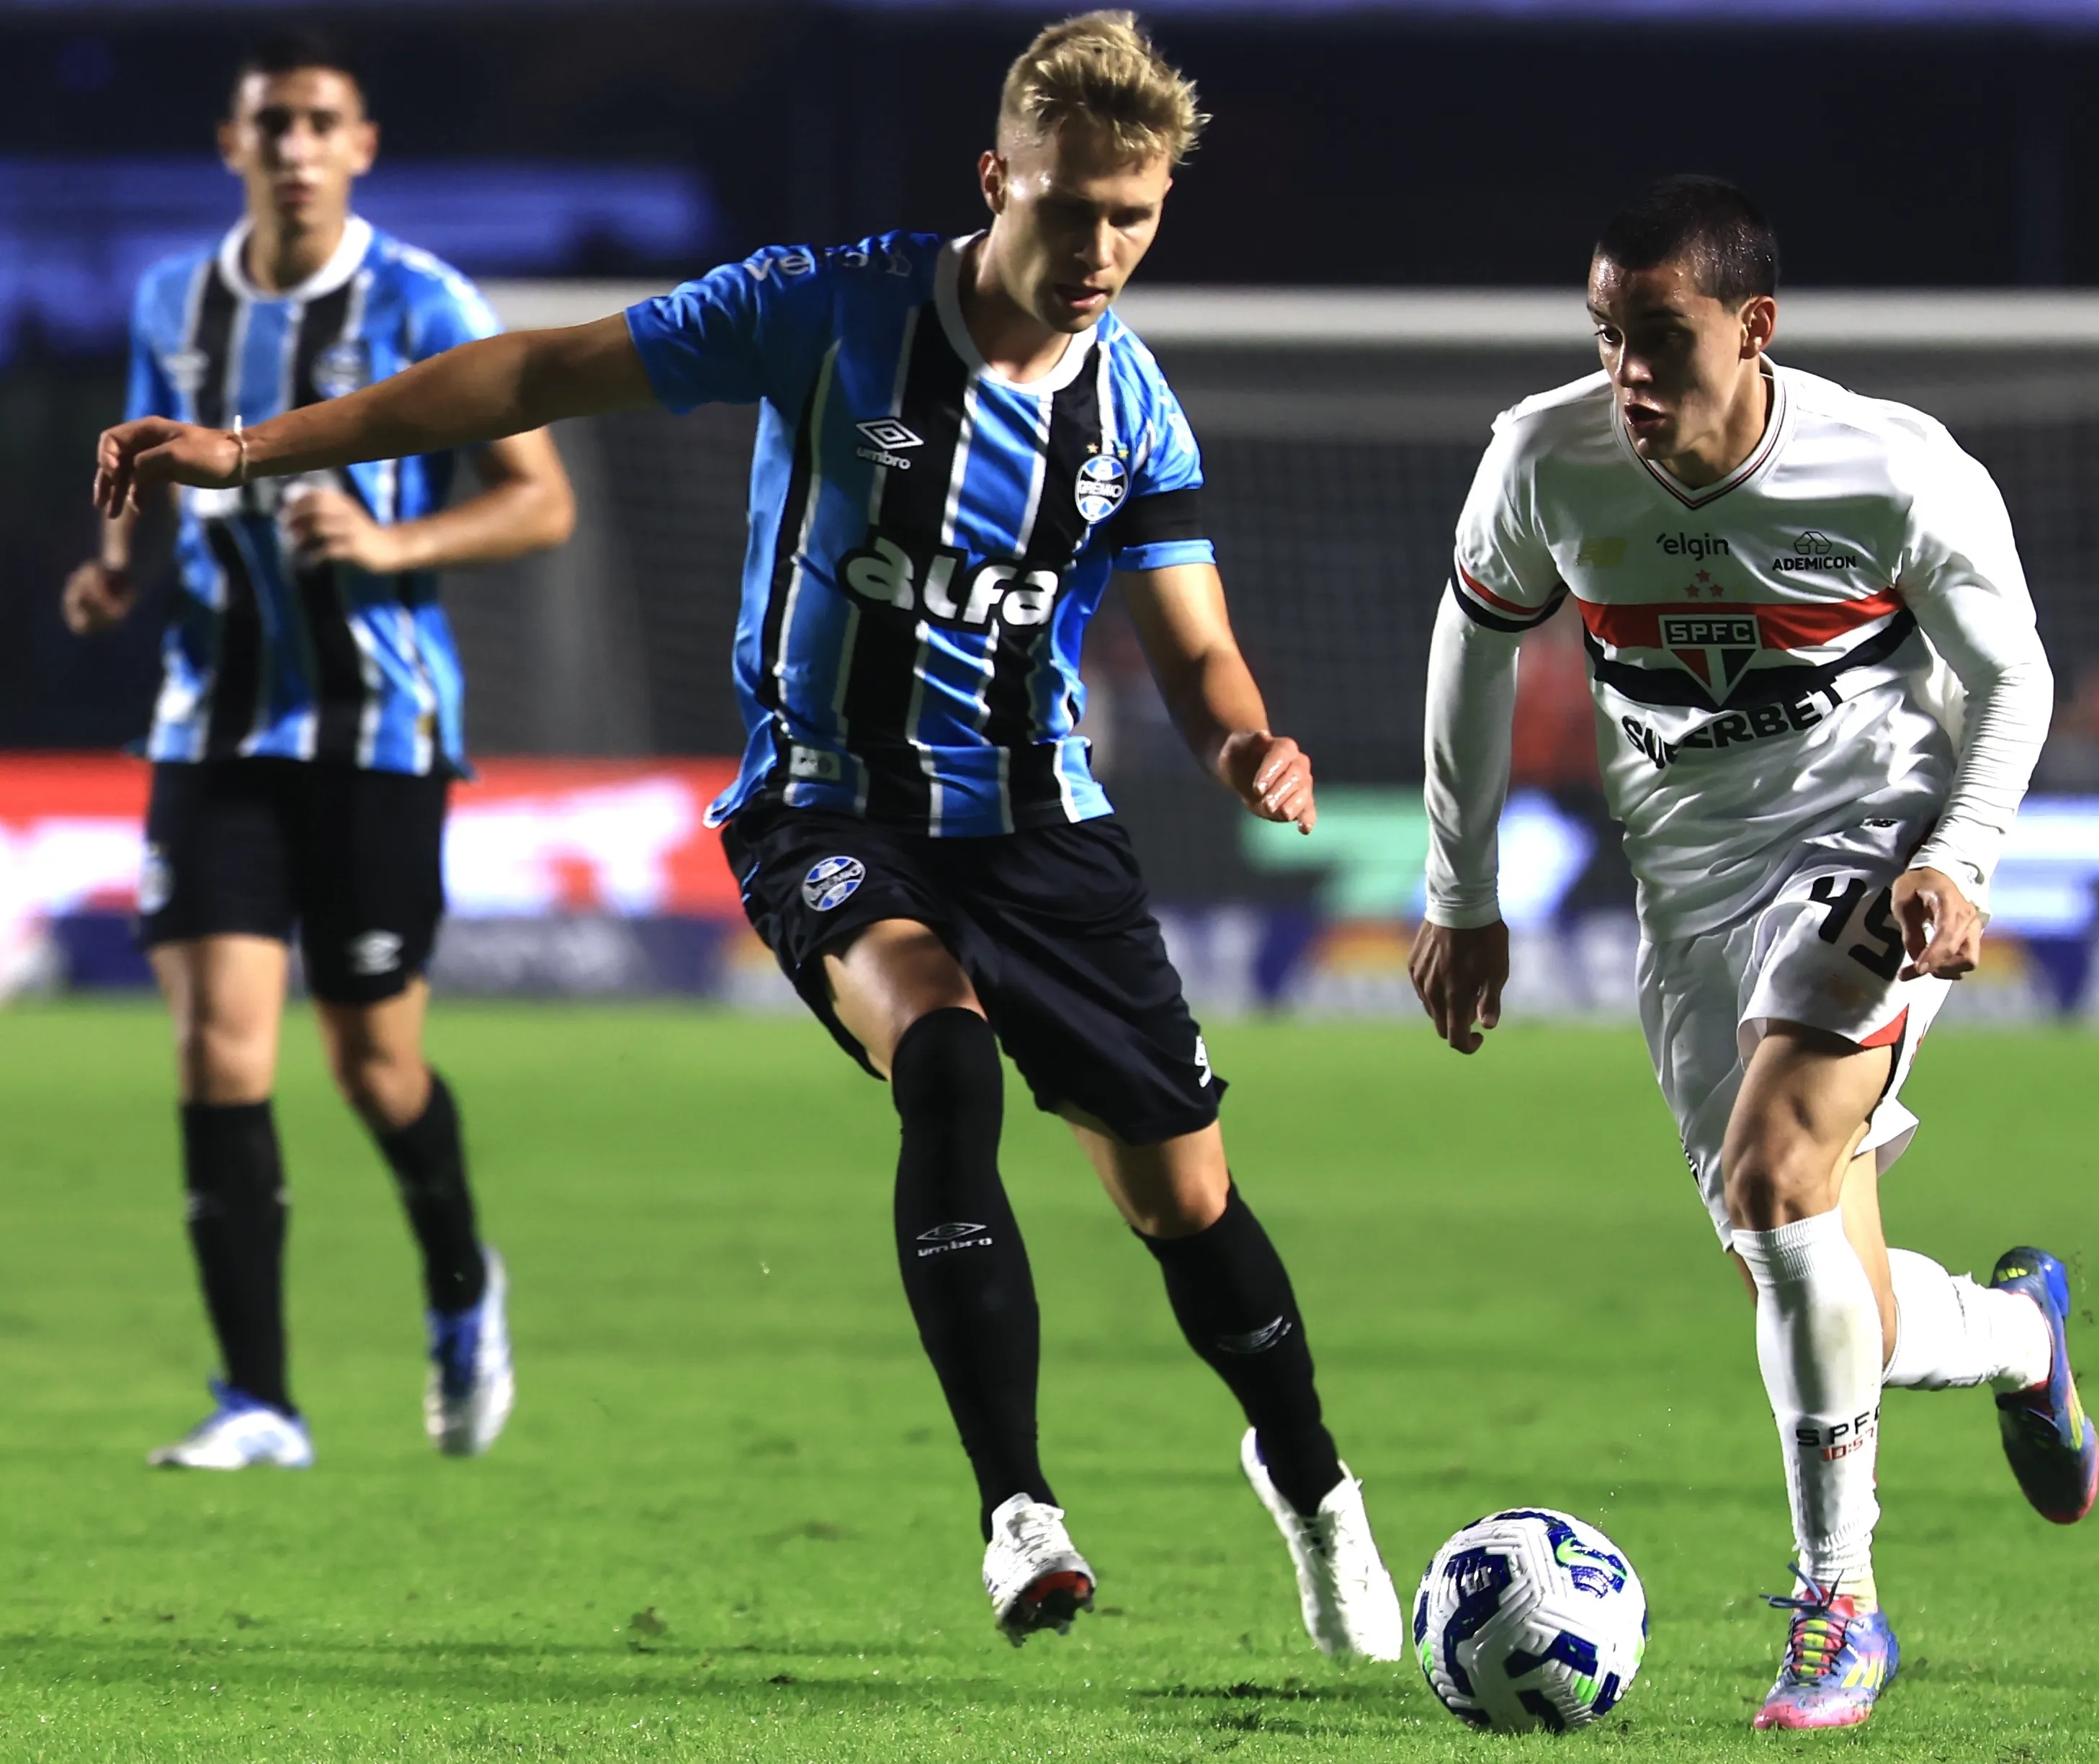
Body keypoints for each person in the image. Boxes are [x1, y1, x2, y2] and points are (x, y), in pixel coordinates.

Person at [97, 10, 1402, 1657]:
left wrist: (1243, 739)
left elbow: (1195, 642)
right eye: (1069, 208)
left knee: (1185, 1210)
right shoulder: (826, 308)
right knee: (940, 1050)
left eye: (1131, 217)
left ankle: (1313, 1487)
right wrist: (252, 450)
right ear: (995, 178)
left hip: (1040, 833)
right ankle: (1020, 1512)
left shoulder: (1132, 413)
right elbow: (526, 371)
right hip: (823, 803)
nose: (1098, 250)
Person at [1409, 176, 2096, 1734]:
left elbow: (2015, 676)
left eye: (1661, 338)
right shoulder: (1545, 458)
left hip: (1868, 853)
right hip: (1688, 901)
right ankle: (2019, 1336)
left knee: (1776, 1174)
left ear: (1754, 327)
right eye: (1605, 337)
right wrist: (1458, 891)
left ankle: (1837, 1609)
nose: (1627, 375)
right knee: (1815, 1284)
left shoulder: (1891, 469)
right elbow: (1471, 649)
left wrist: (1955, 858)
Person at [63, 30, 574, 1472]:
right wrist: (116, 564)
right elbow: (140, 473)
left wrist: (394, 536)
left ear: (362, 146)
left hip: (378, 727)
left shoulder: (422, 299)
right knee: (219, 1048)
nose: (293, 144)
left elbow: (540, 503)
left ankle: (463, 1282)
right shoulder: (173, 299)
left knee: (371, 1063)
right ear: (233, 145)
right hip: (209, 720)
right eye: (269, 122)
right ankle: (259, 1403)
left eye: (318, 122)